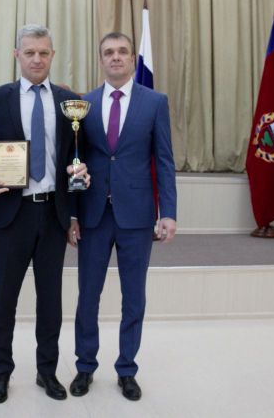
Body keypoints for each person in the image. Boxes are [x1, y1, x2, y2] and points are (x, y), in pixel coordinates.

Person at [0, 24, 89, 404]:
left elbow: (78, 157)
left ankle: (47, 371)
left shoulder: (70, 102)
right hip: (11, 213)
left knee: (50, 300)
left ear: (52, 55)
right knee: (4, 299)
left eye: (44, 52)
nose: (37, 59)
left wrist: (76, 205)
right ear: (17, 55)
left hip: (53, 214)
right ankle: (1, 372)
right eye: (30, 52)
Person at [67, 32, 177, 401]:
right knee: (88, 296)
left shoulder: (155, 102)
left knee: (134, 298)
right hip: (93, 216)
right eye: (108, 52)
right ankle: (85, 366)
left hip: (137, 217)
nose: (116, 57)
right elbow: (76, 162)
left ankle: (127, 369)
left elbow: (164, 160)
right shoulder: (83, 105)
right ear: (101, 60)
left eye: (122, 51)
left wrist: (168, 212)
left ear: (132, 59)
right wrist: (73, 214)